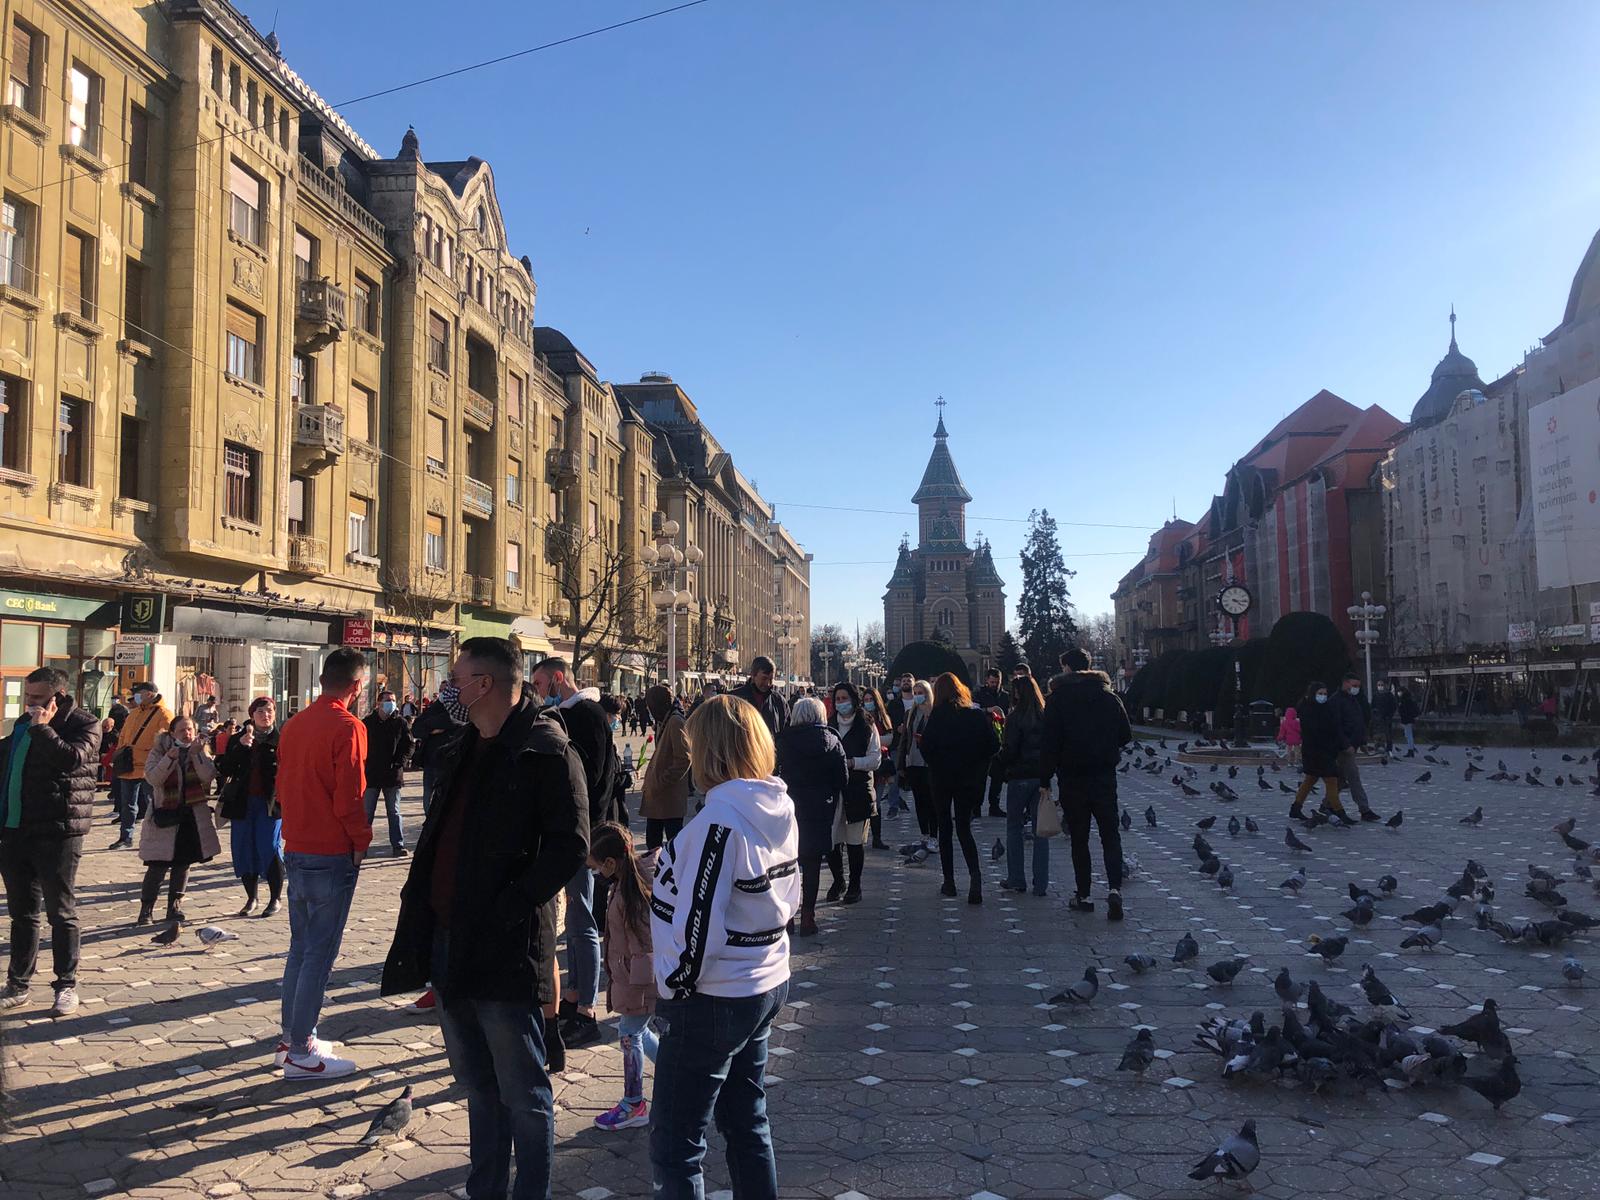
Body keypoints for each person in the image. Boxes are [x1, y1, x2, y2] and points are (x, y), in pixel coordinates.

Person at [382, 637, 588, 1200]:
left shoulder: (547, 750)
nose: (450, 689)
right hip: (449, 940)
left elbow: (570, 846)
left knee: (523, 1091)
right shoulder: (463, 744)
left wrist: (512, 904)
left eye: (457, 679)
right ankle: (486, 1190)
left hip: (505, 946)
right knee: (478, 1084)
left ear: (486, 684)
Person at [649, 695, 798, 1200]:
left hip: (714, 994)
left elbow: (699, 927)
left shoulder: (719, 822)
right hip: (763, 978)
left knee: (676, 1145)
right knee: (746, 1121)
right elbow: (782, 896)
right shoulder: (776, 807)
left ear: (709, 752)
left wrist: (673, 987)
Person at [274, 647, 370, 1080]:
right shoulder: (348, 727)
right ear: (357, 686)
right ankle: (301, 1048)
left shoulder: (294, 723)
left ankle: (291, 1037)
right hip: (330, 850)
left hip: (296, 844)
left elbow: (283, 786)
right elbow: (350, 795)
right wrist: (360, 840)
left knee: (301, 947)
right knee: (319, 951)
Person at [0, 668, 100, 1017]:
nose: (30, 704)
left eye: (38, 698)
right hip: (15, 830)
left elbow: (71, 760)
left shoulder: (84, 724)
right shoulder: (21, 724)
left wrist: (43, 728)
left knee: (61, 912)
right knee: (22, 914)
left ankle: (66, 984)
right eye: (27, 697)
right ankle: (18, 984)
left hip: (58, 832)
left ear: (58, 696)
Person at [528, 657, 616, 1052]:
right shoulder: (567, 714)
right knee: (576, 922)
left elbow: (592, 778)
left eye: (540, 682)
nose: (538, 690)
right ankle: (574, 996)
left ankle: (587, 1010)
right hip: (569, 833)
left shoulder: (587, 714)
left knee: (582, 922)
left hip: (584, 834)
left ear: (558, 679)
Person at [1039, 648, 1131, 920]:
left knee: (1079, 838)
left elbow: (1050, 742)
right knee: (1110, 835)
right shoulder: (1108, 696)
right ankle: (1114, 889)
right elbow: (1125, 735)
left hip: (1073, 777)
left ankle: (1084, 895)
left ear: (1067, 667)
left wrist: (1045, 779)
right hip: (1104, 776)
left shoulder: (1058, 699)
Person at [589, 820, 660, 1131]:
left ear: (610, 863)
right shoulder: (626, 883)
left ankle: (634, 1103)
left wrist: (639, 990)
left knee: (630, 1035)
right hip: (632, 979)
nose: (595, 873)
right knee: (639, 1032)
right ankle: (678, 1077)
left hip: (637, 983)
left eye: (596, 867)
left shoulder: (631, 894)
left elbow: (644, 944)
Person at [918, 673, 997, 904]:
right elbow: (993, 745)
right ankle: (975, 877)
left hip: (942, 779)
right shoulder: (975, 715)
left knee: (944, 828)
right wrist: (976, 763)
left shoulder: (937, 716)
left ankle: (949, 882)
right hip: (968, 780)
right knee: (964, 828)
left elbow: (926, 747)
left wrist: (937, 762)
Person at [137, 715, 220, 927]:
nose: (187, 734)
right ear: (172, 733)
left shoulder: (200, 750)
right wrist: (169, 758)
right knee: (157, 866)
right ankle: (146, 910)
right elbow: (153, 778)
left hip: (191, 817)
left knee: (183, 864)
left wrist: (198, 755)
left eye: (190, 729)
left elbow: (208, 776)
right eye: (182, 730)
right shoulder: (160, 750)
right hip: (165, 815)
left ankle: (174, 907)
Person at [776, 696, 848, 937]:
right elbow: (842, 778)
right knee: (813, 862)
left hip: (790, 807)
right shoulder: (832, 740)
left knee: (789, 863)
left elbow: (773, 771)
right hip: (820, 808)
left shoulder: (784, 741)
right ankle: (808, 916)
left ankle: (788, 917)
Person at [216, 697, 286, 917]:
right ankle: (251, 898)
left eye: (269, 711)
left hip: (270, 803)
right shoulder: (239, 738)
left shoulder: (282, 739)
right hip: (242, 803)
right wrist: (240, 747)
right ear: (252, 715)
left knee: (270, 847)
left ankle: (275, 898)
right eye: (260, 711)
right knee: (244, 849)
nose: (266, 715)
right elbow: (224, 768)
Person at [825, 682, 881, 904]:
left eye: (844, 698)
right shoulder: (829, 725)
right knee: (832, 839)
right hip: (834, 790)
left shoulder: (866, 725)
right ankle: (838, 880)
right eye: (838, 699)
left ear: (854, 700)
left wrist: (853, 762)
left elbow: (875, 759)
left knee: (854, 840)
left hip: (858, 790)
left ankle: (855, 885)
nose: (841, 703)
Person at [999, 673, 1049, 896]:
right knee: (1041, 831)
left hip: (1019, 777)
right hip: (1041, 777)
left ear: (1018, 694)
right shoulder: (1045, 716)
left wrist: (1000, 762)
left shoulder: (1015, 717)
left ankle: (1017, 878)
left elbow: (1010, 750)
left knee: (1014, 827)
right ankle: (1041, 883)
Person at [111, 681, 171, 849]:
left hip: (150, 767)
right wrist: (120, 752)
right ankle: (125, 837)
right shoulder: (134, 713)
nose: (135, 696)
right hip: (129, 765)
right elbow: (123, 736)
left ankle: (155, 837)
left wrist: (157, 760)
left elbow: (166, 741)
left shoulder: (163, 714)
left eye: (138, 693)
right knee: (127, 805)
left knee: (153, 804)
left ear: (149, 694)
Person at [1288, 681, 1353, 826]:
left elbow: (1334, 728)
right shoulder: (1309, 710)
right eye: (1320, 694)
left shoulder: (1324, 708)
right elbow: (1318, 732)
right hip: (1318, 752)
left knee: (1310, 780)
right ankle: (1340, 812)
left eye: (1325, 694)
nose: (1323, 696)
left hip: (1320, 751)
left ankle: (1296, 808)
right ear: (1313, 694)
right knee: (1331, 780)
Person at [362, 690, 415, 857]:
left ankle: (398, 845)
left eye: (393, 700)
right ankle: (361, 846)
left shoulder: (400, 722)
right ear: (379, 703)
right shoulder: (368, 723)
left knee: (394, 812)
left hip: (392, 774)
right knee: (367, 813)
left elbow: (409, 745)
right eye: (387, 700)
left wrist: (400, 762)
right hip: (372, 774)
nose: (391, 703)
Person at [640, 685, 690, 851]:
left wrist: (661, 781)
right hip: (659, 796)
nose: (650, 711)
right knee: (653, 842)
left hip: (669, 796)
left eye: (651, 706)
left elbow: (684, 759)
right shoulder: (665, 720)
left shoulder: (675, 722)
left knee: (672, 844)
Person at [894, 678, 937, 852]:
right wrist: (901, 764)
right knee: (919, 801)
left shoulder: (934, 713)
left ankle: (934, 836)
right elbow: (905, 739)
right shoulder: (911, 713)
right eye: (916, 693)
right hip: (913, 761)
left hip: (929, 763)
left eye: (921, 693)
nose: (918, 696)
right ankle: (924, 834)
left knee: (931, 801)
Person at [1331, 673, 1379, 821]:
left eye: (1358, 686)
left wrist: (1362, 742)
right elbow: (1336, 726)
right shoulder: (1336, 701)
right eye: (1354, 685)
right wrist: (1346, 745)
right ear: (1345, 683)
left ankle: (1326, 805)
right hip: (1343, 747)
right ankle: (1364, 809)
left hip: (1353, 744)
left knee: (1340, 779)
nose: (1356, 688)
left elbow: (1359, 723)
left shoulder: (1353, 700)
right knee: (1353, 777)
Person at [410, 694, 461, 815]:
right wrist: (431, 729)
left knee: (444, 795)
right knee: (428, 794)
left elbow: (454, 721)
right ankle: (430, 818)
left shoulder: (458, 709)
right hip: (429, 761)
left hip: (448, 761)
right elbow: (416, 728)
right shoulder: (434, 708)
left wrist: (429, 725)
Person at [973, 667, 1010, 817]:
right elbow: (973, 711)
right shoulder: (979, 694)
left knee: (998, 776)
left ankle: (994, 805)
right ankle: (976, 807)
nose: (994, 685)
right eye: (992, 682)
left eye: (997, 682)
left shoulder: (1005, 696)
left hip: (999, 739)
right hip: (983, 739)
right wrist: (989, 710)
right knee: (980, 777)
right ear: (987, 680)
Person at [730, 656, 789, 742]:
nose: (768, 683)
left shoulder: (779, 701)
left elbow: (785, 733)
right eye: (764, 678)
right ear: (753, 675)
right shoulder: (734, 699)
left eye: (771, 679)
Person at [863, 686, 896, 842]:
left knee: (876, 801)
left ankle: (877, 837)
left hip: (881, 764)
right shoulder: (860, 717)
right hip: (865, 763)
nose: (868, 702)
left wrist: (873, 741)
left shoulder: (883, 717)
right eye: (866, 700)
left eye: (871, 700)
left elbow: (889, 739)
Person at [1371, 681, 1398, 751]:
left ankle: (1389, 748)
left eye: (1381, 685)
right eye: (1379, 685)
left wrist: (1390, 715)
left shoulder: (1389, 695)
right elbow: (1373, 706)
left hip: (1386, 718)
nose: (1380, 686)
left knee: (1388, 733)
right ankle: (1378, 746)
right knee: (1378, 732)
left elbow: (1394, 706)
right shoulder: (1375, 695)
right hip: (1378, 718)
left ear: (1384, 685)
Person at [1397, 686, 1420, 751]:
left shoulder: (1405, 700)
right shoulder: (1408, 699)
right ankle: (1411, 747)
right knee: (1407, 734)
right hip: (1408, 719)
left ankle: (1411, 749)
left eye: (1399, 692)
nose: (1398, 693)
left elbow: (1404, 710)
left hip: (1407, 719)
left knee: (1408, 735)